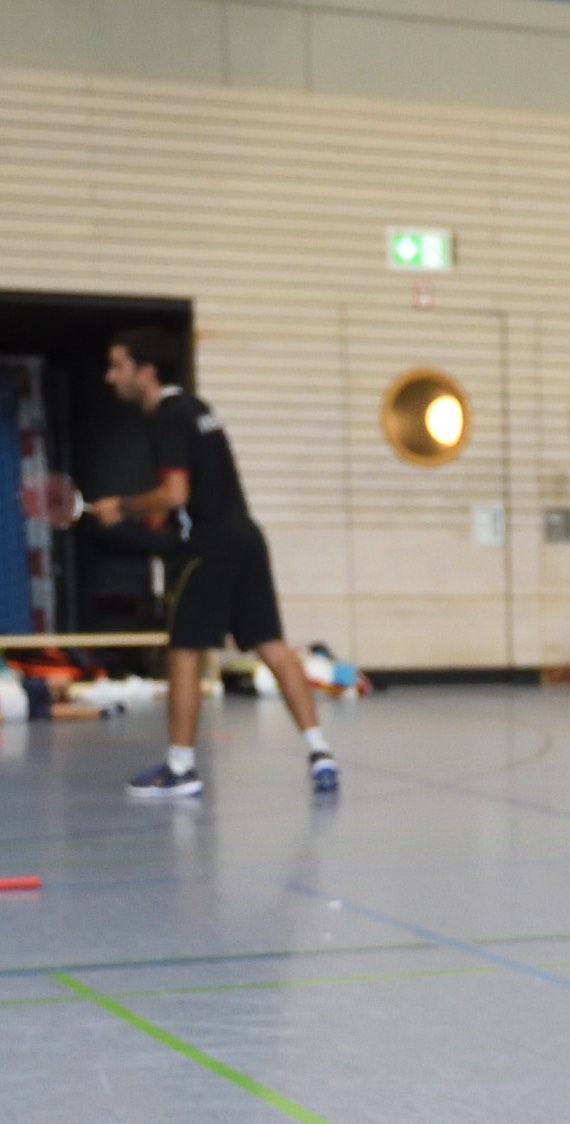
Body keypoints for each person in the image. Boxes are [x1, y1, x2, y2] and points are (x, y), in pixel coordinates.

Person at [80, 329, 337, 797]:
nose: (109, 376)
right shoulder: (197, 409)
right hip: (246, 537)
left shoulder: (166, 416)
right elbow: (191, 493)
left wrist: (123, 506)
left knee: (183, 650)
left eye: (118, 366)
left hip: (207, 549)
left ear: (146, 371)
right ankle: (320, 752)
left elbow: (175, 493)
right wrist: (150, 514)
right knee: (271, 646)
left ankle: (180, 768)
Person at [0, 669, 142, 725]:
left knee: (61, 681)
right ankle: (103, 710)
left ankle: (67, 696)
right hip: (25, 711)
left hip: (23, 689)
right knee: (63, 714)